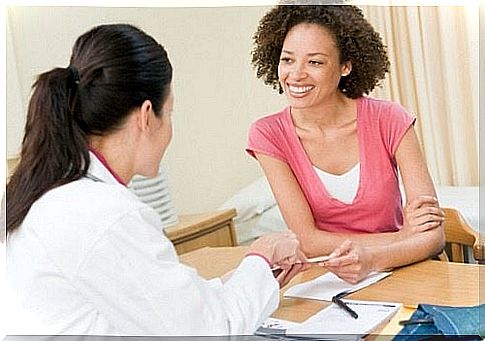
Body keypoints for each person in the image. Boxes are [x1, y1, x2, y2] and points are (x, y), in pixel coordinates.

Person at [6, 23, 307, 336]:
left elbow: (158, 306)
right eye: (170, 112)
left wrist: (248, 278)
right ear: (147, 115)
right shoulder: (105, 213)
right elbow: (207, 331)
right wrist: (261, 256)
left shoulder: (51, 193)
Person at [247, 5, 446, 284]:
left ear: (346, 65)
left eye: (315, 62)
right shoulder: (268, 134)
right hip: (326, 280)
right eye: (288, 60)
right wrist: (401, 237)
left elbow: (434, 237)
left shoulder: (389, 119)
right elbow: (307, 241)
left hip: (403, 271)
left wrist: (372, 259)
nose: (296, 75)